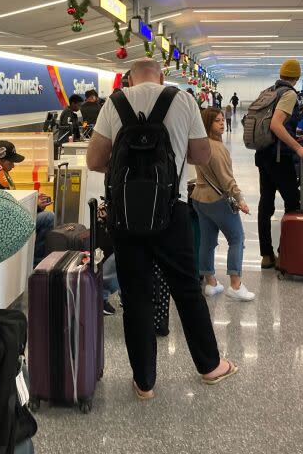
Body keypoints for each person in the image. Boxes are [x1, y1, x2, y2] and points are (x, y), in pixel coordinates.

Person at [86, 58, 236, 399]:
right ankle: (210, 366)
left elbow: (94, 161)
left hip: (125, 216)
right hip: (173, 211)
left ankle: (144, 382)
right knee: (186, 290)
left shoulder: (115, 102)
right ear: (162, 75)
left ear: (129, 77)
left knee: (135, 295)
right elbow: (200, 155)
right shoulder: (182, 100)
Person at [254, 60, 303, 269]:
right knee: (293, 204)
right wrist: (298, 147)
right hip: (280, 158)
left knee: (266, 204)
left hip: (263, 155)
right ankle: (287, 254)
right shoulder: (289, 94)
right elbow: (276, 124)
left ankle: (266, 255)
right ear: (296, 78)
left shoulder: (268, 91)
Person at [193, 108, 254, 301]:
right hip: (217, 201)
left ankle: (211, 283)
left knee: (207, 242)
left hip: (199, 198)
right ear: (208, 124)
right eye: (216, 121)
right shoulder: (217, 149)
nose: (221, 123)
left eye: (222, 120)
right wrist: (240, 199)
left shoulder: (200, 145)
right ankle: (235, 285)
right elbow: (226, 180)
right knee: (237, 239)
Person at [0, 140, 55, 265]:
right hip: (2, 229)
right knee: (48, 218)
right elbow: (5, 214)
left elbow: (12, 204)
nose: (13, 166)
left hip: (9, 221)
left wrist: (33, 200)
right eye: (11, 161)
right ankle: (36, 264)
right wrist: (35, 207)